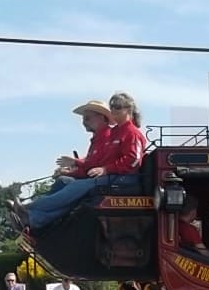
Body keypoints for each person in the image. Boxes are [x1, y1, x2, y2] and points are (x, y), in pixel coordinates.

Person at [9, 92, 147, 231]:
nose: (114, 110)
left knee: (77, 187)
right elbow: (99, 162)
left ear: (128, 109)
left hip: (125, 178)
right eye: (112, 107)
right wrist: (83, 169)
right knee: (70, 185)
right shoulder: (115, 133)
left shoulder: (131, 132)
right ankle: (33, 219)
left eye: (117, 107)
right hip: (113, 176)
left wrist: (104, 169)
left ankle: (28, 208)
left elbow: (133, 161)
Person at [51, 100, 114, 193]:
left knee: (63, 181)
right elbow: (89, 167)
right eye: (83, 119)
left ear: (101, 117)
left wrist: (74, 164)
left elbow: (94, 167)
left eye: (87, 118)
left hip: (102, 182)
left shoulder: (108, 137)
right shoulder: (97, 139)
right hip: (98, 180)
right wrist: (70, 171)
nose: (83, 123)